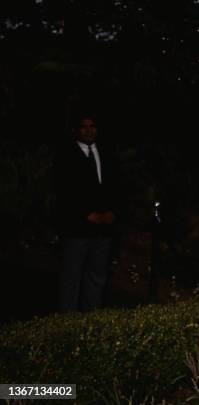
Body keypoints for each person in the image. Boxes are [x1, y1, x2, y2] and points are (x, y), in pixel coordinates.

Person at [55, 112, 118, 312]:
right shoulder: (66, 155)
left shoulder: (106, 152)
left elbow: (117, 186)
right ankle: (67, 320)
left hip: (103, 229)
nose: (89, 130)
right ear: (76, 130)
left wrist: (112, 212)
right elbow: (63, 191)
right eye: (84, 127)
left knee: (97, 276)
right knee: (71, 277)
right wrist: (84, 214)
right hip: (77, 228)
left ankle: (91, 318)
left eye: (92, 126)